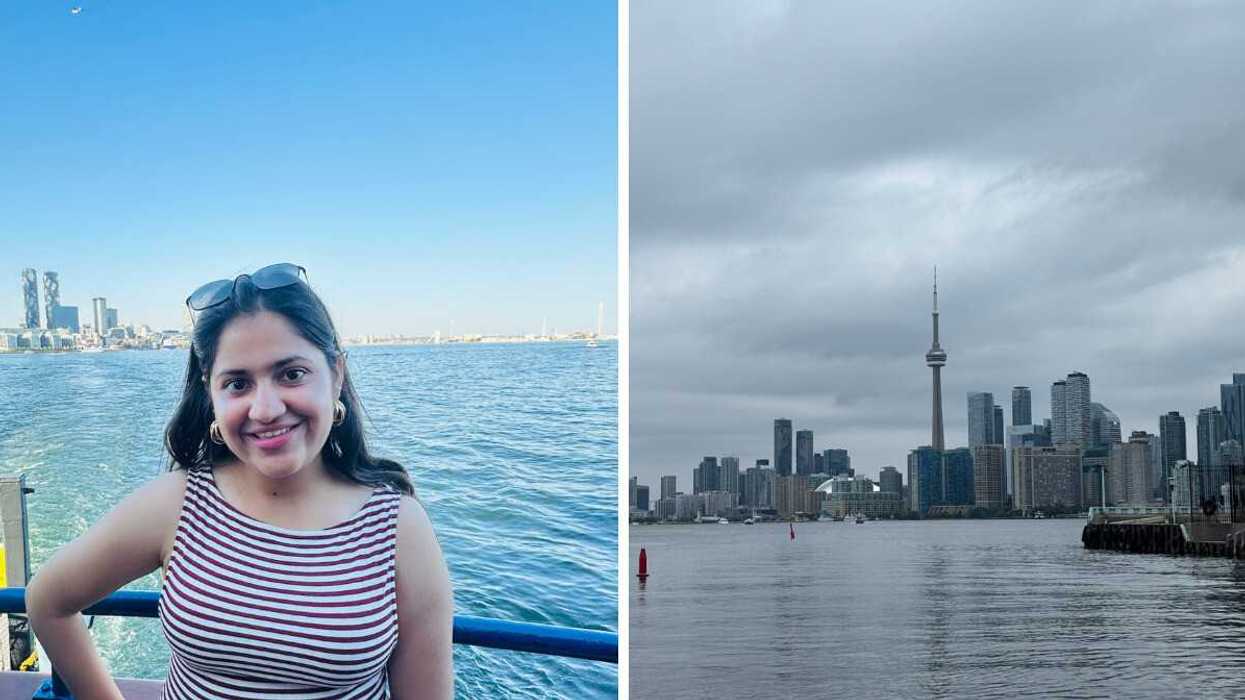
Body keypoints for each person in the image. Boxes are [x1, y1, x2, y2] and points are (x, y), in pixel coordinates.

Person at [26, 263, 454, 699]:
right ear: (211, 393)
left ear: (336, 374)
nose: (265, 409)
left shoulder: (396, 525)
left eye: (291, 374)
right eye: (237, 383)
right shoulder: (179, 503)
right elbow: (48, 600)